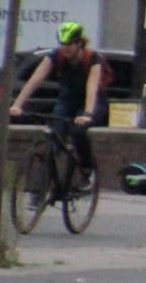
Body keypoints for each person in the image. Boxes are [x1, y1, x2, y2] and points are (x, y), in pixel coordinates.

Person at [9, 22, 103, 184]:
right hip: (67, 99)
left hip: (90, 101)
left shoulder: (92, 58)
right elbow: (34, 81)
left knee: (78, 131)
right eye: (62, 44)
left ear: (79, 43)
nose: (65, 48)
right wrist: (17, 105)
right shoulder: (55, 57)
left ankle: (87, 169)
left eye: (69, 44)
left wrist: (87, 114)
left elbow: (92, 88)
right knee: (54, 138)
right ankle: (43, 186)